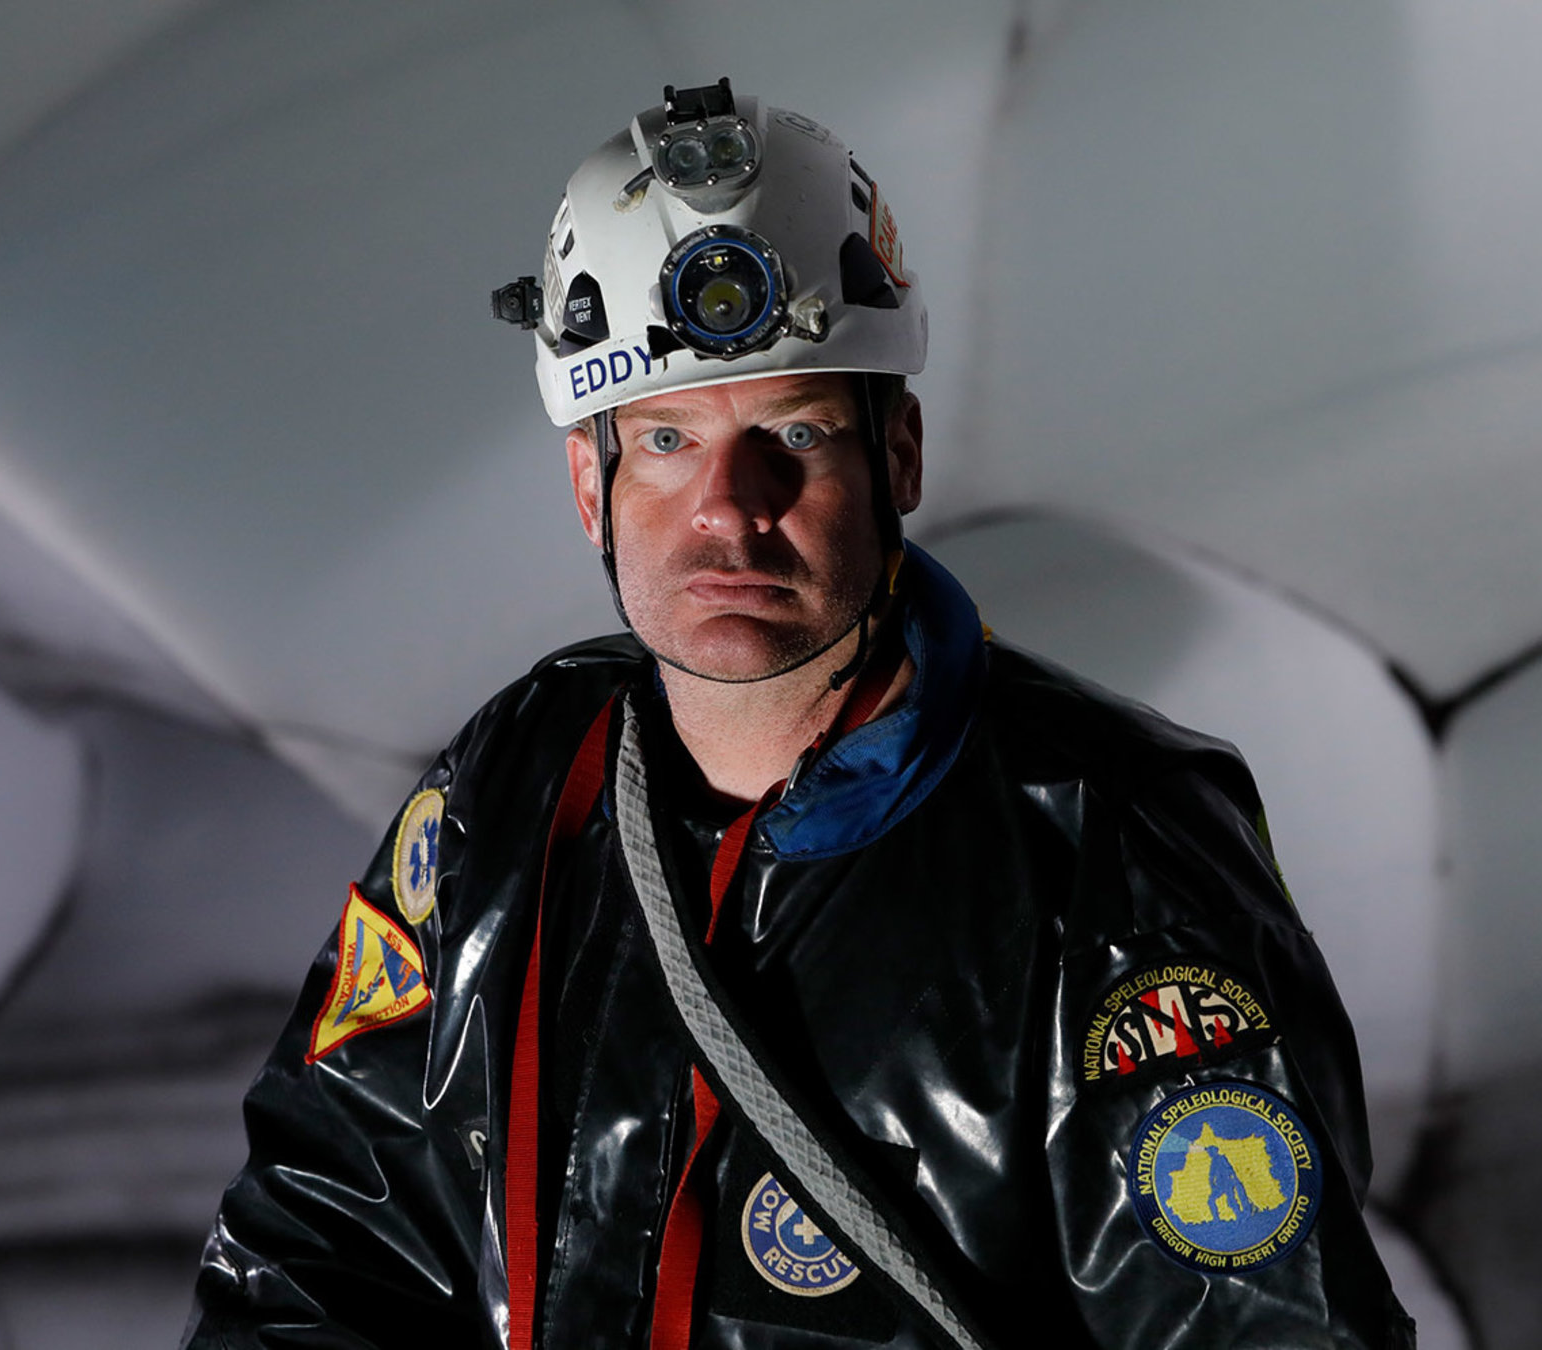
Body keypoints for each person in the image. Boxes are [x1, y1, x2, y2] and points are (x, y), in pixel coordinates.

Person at [183, 79, 1414, 1350]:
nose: (730, 506)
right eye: (664, 442)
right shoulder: (514, 782)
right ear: (586, 486)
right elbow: (318, 1242)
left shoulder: (1110, 846)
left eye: (796, 431)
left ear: (899, 457)